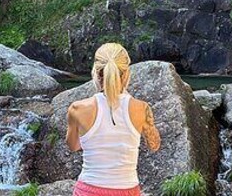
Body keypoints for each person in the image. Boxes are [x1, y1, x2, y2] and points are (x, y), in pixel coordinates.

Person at [66, 43, 161, 196]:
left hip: (88, 189)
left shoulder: (77, 108)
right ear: (126, 74)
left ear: (96, 73)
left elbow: (73, 146)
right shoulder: (141, 108)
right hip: (127, 190)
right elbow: (154, 145)